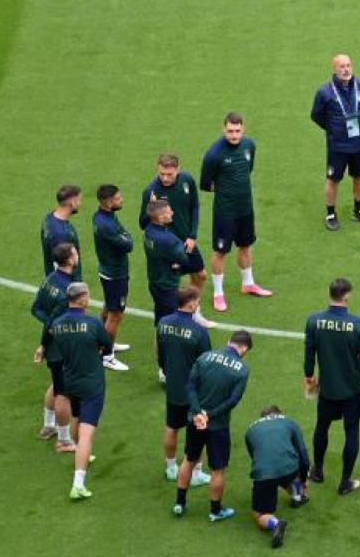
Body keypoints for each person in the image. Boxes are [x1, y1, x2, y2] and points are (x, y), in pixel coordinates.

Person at [173, 329, 253, 522]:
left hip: (195, 420)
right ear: (243, 348)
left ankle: (180, 503)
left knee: (188, 460)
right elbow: (233, 400)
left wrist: (198, 412)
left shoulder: (204, 357)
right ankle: (215, 511)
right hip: (217, 426)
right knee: (218, 469)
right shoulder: (242, 370)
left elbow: (190, 386)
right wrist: (210, 415)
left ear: (229, 341)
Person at [304, 278, 360, 496]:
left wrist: (309, 376)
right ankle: (345, 481)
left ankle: (317, 471)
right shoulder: (359, 324)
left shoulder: (314, 321)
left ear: (329, 293)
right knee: (351, 431)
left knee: (322, 426)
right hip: (353, 388)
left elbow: (309, 353)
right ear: (347, 296)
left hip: (328, 388)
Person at [48, 283, 113, 500]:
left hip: (70, 380)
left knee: (76, 416)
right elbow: (108, 345)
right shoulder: (93, 323)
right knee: (87, 434)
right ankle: (78, 484)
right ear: (83, 299)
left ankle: (80, 453)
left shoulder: (57, 324)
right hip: (92, 382)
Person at [201, 113, 272, 311]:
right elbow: (206, 184)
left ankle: (248, 283)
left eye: (237, 131)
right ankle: (218, 293)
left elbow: (247, 169)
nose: (234, 135)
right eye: (230, 131)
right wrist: (227, 192)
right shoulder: (214, 154)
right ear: (223, 129)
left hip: (245, 207)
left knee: (246, 245)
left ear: (243, 129)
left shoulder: (249, 145)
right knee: (221, 251)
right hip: (225, 210)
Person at [139, 154, 211, 326]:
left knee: (200, 275)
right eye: (161, 173)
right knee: (171, 283)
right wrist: (152, 209)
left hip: (186, 242)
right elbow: (142, 223)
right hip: (167, 247)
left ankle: (194, 312)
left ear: (178, 170)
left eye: (169, 174)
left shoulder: (187, 181)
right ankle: (174, 317)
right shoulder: (151, 191)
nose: (165, 178)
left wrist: (192, 236)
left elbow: (194, 206)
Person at [157, 287, 214, 488]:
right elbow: (206, 364)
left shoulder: (163, 323)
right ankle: (196, 472)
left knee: (172, 427)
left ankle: (171, 467)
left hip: (173, 385)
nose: (198, 304)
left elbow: (160, 351)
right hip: (194, 391)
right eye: (197, 301)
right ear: (190, 304)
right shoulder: (199, 331)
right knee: (198, 429)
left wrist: (165, 370)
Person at [311, 53, 360, 231]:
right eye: (342, 67)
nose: (346, 70)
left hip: (358, 143)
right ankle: (331, 213)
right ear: (334, 69)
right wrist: (333, 128)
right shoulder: (325, 92)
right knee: (333, 179)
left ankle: (359, 210)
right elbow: (316, 115)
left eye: (348, 65)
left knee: (359, 176)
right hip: (337, 146)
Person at [244, 405, 310, 548]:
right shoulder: (290, 422)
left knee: (259, 515)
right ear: (279, 414)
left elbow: (255, 457)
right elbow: (304, 458)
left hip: (264, 474)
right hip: (290, 469)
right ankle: (298, 496)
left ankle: (275, 524)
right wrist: (303, 480)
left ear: (263, 417)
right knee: (293, 475)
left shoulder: (251, 430)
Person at [31, 243, 76, 451]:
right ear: (68, 260)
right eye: (74, 253)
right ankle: (64, 440)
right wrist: (45, 341)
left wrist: (49, 322)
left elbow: (36, 309)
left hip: (52, 343)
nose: (77, 255)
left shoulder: (50, 278)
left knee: (57, 383)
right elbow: (51, 324)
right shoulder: (68, 290)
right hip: (60, 346)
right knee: (63, 393)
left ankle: (48, 426)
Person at [145, 200, 190, 382]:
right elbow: (184, 258)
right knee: (167, 327)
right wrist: (179, 259)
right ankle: (165, 370)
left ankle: (164, 366)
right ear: (162, 217)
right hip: (167, 286)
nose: (172, 212)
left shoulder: (150, 231)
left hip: (156, 282)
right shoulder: (168, 240)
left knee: (160, 323)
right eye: (169, 211)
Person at [92, 184, 132, 371]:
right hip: (115, 274)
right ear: (108, 202)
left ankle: (102, 342)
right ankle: (107, 355)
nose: (121, 199)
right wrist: (125, 237)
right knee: (116, 314)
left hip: (108, 271)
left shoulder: (103, 216)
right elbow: (128, 244)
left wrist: (124, 236)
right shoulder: (106, 225)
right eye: (117, 198)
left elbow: (124, 235)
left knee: (109, 307)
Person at [41, 185, 83, 281]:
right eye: (79, 200)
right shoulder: (61, 234)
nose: (80, 203)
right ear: (72, 202)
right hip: (67, 286)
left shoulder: (49, 218)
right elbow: (61, 266)